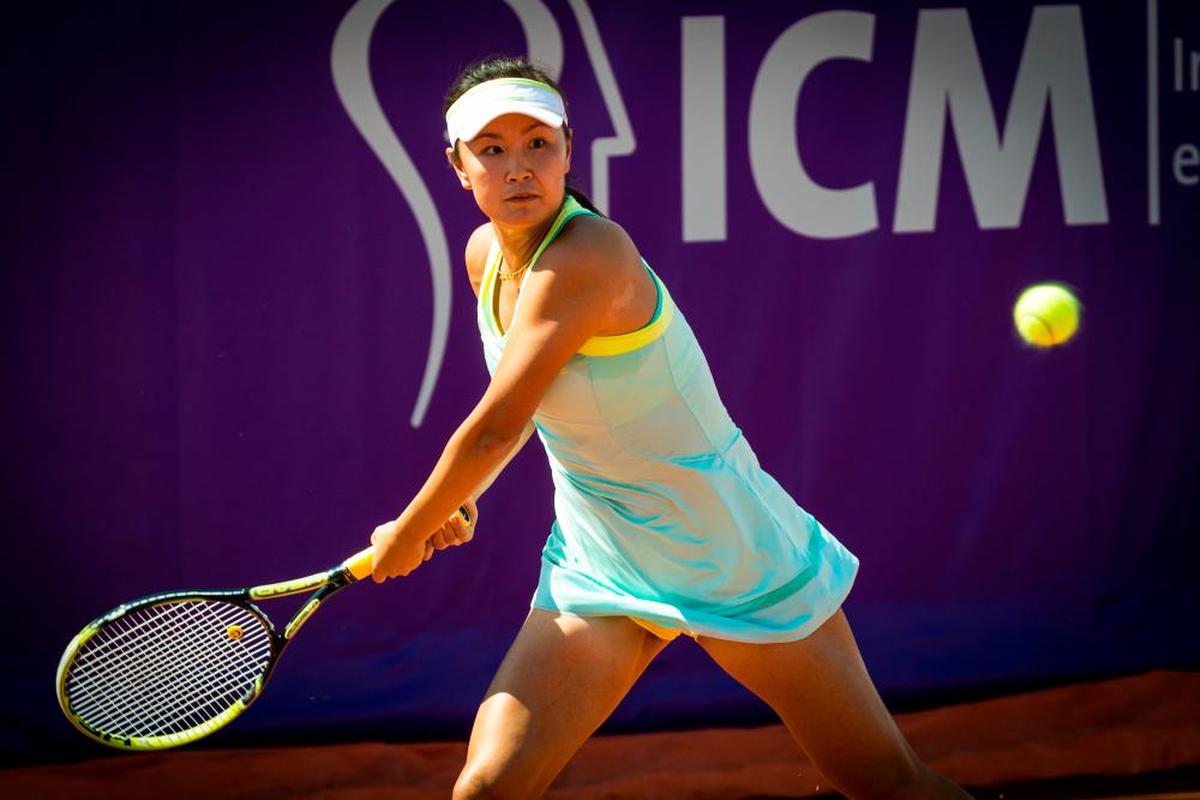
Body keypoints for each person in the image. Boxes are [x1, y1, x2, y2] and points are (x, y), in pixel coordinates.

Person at [368, 56, 973, 800]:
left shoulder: (591, 253)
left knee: (889, 786)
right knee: (487, 789)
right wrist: (457, 500)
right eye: (491, 149)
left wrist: (410, 528)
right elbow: (529, 406)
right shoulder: (486, 257)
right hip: (602, 557)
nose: (518, 167)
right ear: (458, 167)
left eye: (537, 143)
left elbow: (495, 428)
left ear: (567, 148)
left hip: (729, 552)